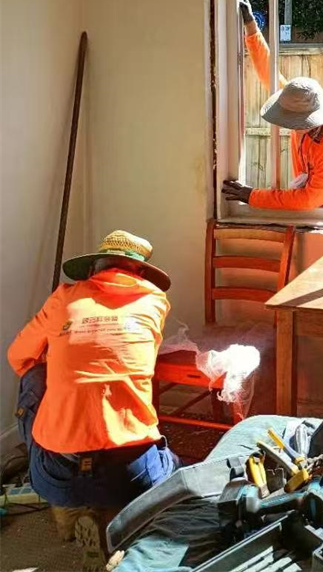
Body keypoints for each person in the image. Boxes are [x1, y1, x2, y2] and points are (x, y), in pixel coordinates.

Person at [7, 230, 177, 569]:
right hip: (130, 471)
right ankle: (120, 521)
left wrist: (58, 368)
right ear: (140, 273)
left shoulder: (63, 298)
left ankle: (69, 507)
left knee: (34, 376)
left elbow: (19, 357)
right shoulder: (155, 301)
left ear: (92, 269)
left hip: (59, 470)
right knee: (173, 467)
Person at [222, 0, 323, 210]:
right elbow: (269, 75)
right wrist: (251, 28)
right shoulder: (301, 103)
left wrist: (252, 196)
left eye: (293, 120)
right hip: (310, 206)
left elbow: (307, 200)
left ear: (311, 119)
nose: (289, 124)